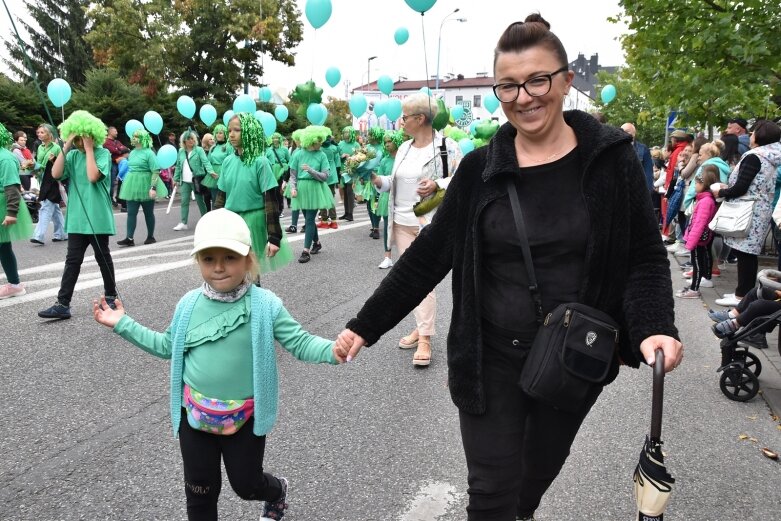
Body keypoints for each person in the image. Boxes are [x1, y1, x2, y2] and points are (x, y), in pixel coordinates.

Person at [335, 15, 682, 521]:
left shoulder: (611, 160)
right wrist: (365, 326)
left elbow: (645, 257)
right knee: (492, 492)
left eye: (537, 80)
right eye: (508, 86)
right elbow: (430, 255)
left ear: (565, 81)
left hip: (573, 356)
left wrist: (654, 326)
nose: (524, 97)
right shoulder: (481, 169)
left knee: (531, 485)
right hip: (490, 356)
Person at [92, 208, 342, 520]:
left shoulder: (265, 306)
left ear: (249, 259)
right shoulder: (188, 305)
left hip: (245, 419)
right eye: (209, 259)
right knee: (199, 496)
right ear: (198, 262)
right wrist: (122, 323)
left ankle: (276, 491)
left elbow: (301, 342)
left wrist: (334, 350)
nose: (219, 268)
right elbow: (166, 345)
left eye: (230, 258)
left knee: (246, 485)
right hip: (194, 416)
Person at [365, 91, 462, 367]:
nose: (400, 122)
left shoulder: (448, 147)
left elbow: (462, 179)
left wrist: (437, 184)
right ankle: (421, 327)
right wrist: (373, 179)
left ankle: (425, 339)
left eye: (404, 117)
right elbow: (393, 183)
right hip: (400, 223)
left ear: (420, 119)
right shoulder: (404, 149)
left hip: (430, 224)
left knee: (423, 280)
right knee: (412, 281)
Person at [38, 111, 117, 320]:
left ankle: (111, 296)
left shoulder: (102, 154)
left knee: (103, 258)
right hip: (76, 217)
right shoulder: (71, 155)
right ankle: (63, 303)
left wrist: (90, 148)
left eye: (83, 136)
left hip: (97, 216)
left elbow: (93, 176)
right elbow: (55, 174)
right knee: (72, 260)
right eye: (77, 136)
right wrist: (66, 144)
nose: (80, 141)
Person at [214, 113, 293, 275]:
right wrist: (214, 226)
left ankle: (254, 300)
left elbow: (270, 202)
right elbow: (220, 199)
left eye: (237, 130)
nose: (231, 134)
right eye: (229, 130)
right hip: (232, 222)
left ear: (249, 132)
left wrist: (274, 237)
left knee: (251, 275)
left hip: (253, 223)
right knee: (232, 272)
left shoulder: (261, 162)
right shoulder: (228, 161)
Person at [714, 120, 781, 307]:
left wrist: (722, 191)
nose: (750, 136)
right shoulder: (771, 157)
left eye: (753, 133)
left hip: (748, 210)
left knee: (745, 254)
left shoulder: (755, 156)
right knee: (748, 254)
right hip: (760, 209)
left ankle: (741, 296)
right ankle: (742, 294)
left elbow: (741, 186)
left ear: (760, 136)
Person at [288, 126, 334, 263]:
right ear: (311, 140)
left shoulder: (322, 155)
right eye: (318, 141)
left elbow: (325, 176)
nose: (321, 143)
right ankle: (317, 242)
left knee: (309, 220)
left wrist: (311, 171)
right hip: (301, 189)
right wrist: (293, 188)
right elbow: (293, 174)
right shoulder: (298, 154)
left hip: (315, 189)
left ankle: (305, 251)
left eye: (321, 140)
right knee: (309, 219)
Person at [0, 122, 33, 299]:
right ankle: (14, 284)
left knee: (3, 246)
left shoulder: (5, 157)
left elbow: (12, 187)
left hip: (2, 205)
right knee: (3, 247)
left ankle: (15, 284)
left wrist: (11, 213)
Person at [117, 129, 167, 247]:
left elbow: (155, 171)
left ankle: (150, 236)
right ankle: (129, 238)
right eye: (133, 136)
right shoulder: (133, 152)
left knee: (148, 212)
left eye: (136, 136)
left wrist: (153, 187)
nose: (134, 138)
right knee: (131, 213)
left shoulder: (149, 153)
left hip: (146, 184)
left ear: (143, 138)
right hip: (132, 184)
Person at [676, 165, 719, 298]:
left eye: (696, 183)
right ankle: (694, 286)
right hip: (700, 239)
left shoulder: (705, 201)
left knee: (697, 264)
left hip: (698, 240)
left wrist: (690, 243)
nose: (694, 186)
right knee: (699, 262)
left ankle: (694, 289)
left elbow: (699, 224)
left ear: (703, 184)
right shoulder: (705, 199)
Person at [30, 124, 67, 245]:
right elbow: (40, 164)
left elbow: (60, 164)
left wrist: (53, 160)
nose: (39, 134)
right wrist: (33, 167)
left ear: (49, 134)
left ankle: (38, 235)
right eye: (38, 132)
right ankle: (62, 233)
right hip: (43, 180)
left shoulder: (56, 147)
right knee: (54, 208)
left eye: (42, 132)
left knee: (46, 206)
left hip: (53, 181)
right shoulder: (40, 147)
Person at [374, 129, 404, 269]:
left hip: (403, 195)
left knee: (404, 227)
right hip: (387, 195)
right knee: (387, 226)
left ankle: (406, 256)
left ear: (397, 141)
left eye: (390, 141)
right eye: (385, 142)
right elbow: (379, 178)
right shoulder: (384, 160)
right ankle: (387, 257)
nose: (387, 144)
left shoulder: (404, 157)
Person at [173, 129, 214, 230]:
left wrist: (211, 171)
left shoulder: (199, 150)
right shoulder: (181, 151)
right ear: (184, 141)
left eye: (192, 138)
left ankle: (206, 220)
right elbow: (178, 166)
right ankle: (183, 223)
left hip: (197, 179)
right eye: (188, 139)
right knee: (184, 201)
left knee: (200, 201)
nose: (191, 140)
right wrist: (176, 178)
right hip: (185, 181)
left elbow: (206, 162)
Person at [620, 122, 653, 192]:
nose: (623, 133)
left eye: (627, 131)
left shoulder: (643, 149)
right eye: (621, 131)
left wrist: (647, 193)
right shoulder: (615, 149)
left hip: (637, 190)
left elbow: (648, 173)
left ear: (634, 133)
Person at [316, 134, 340, 229]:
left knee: (321, 198)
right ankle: (334, 221)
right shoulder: (334, 148)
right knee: (331, 198)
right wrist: (334, 142)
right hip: (332, 174)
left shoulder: (320, 150)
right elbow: (339, 149)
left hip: (322, 174)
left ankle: (324, 221)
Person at [205, 124, 231, 208]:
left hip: (225, 173)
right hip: (213, 175)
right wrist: (210, 172)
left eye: (221, 133)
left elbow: (232, 161)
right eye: (217, 133)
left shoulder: (229, 146)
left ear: (225, 134)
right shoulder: (213, 147)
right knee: (214, 198)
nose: (218, 135)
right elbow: (208, 161)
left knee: (225, 198)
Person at [103, 126, 130, 206]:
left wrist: (119, 149)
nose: (117, 133)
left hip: (121, 163)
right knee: (111, 182)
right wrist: (120, 150)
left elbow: (126, 149)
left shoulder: (117, 142)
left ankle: (119, 198)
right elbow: (113, 150)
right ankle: (110, 199)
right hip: (112, 163)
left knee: (122, 180)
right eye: (115, 131)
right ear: (110, 132)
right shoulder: (106, 142)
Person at [265, 132, 290, 216]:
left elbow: (289, 160)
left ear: (279, 139)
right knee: (273, 192)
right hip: (272, 171)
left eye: (276, 138)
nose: (275, 140)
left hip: (282, 170)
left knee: (280, 191)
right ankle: (275, 209)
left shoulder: (285, 149)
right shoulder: (269, 150)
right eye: (273, 138)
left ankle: (280, 209)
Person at [337, 126, 359, 221]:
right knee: (345, 192)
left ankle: (350, 213)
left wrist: (351, 157)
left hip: (352, 171)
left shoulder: (356, 144)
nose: (345, 134)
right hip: (343, 170)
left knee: (350, 192)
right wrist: (341, 156)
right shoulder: (340, 144)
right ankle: (346, 212)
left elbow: (360, 157)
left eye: (347, 132)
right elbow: (336, 155)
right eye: (344, 132)